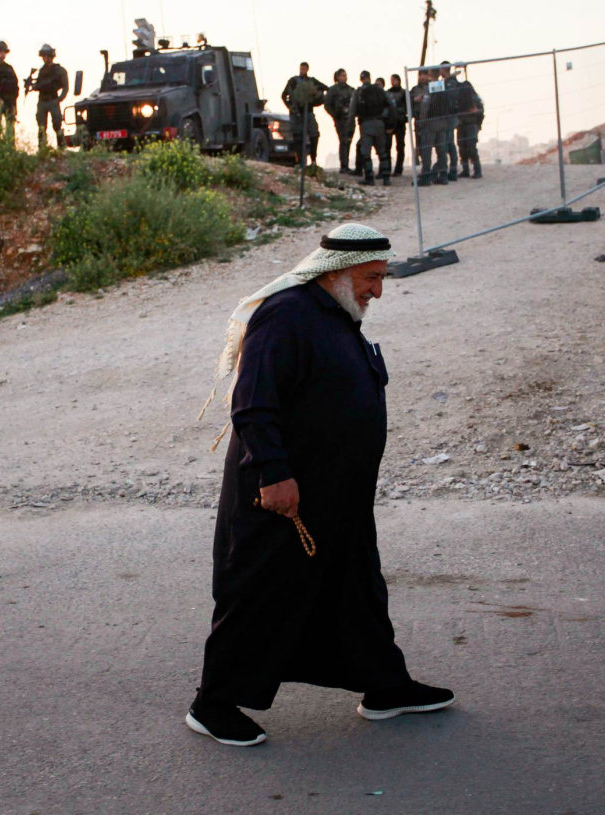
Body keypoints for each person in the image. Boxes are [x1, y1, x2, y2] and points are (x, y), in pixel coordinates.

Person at [189, 223, 456, 747]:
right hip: (284, 495)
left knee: (356, 588)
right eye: (371, 277)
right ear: (334, 272)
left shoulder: (334, 313)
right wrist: (274, 475)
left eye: (381, 278)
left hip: (337, 493)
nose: (378, 290)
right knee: (260, 593)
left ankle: (384, 687)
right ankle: (212, 703)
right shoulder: (285, 315)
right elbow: (253, 404)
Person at [347, 71, 391, 186]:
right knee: (382, 152)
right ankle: (386, 178)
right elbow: (390, 104)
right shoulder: (379, 90)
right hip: (379, 123)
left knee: (366, 153)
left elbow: (352, 112)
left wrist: (349, 129)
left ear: (361, 79)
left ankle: (369, 178)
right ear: (370, 78)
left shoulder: (358, 92)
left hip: (366, 125)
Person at [281, 62, 327, 168]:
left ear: (307, 69)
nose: (302, 71)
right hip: (296, 112)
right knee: (298, 137)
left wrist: (316, 93)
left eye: (304, 69)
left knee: (314, 134)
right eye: (301, 69)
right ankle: (300, 161)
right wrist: (290, 107)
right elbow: (284, 95)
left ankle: (313, 159)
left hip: (308, 111)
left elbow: (324, 88)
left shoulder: (311, 81)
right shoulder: (293, 81)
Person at [29, 44, 69, 151]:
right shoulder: (41, 71)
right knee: (41, 126)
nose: (44, 58)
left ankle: (61, 148)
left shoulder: (58, 70)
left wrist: (59, 100)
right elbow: (38, 85)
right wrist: (33, 86)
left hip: (53, 100)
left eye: (46, 56)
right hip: (42, 101)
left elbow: (65, 87)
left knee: (57, 124)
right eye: (43, 56)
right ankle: (42, 149)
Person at [324, 69, 356, 175]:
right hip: (340, 119)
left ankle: (346, 165)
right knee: (343, 141)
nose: (344, 77)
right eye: (342, 75)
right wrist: (335, 115)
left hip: (350, 119)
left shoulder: (351, 90)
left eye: (345, 75)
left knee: (348, 141)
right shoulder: (333, 90)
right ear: (337, 77)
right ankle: (344, 165)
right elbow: (327, 104)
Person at [453, 71, 484, 178]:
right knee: (463, 148)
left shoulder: (475, 99)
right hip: (462, 125)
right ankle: (466, 170)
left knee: (471, 148)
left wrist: (478, 122)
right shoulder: (459, 100)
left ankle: (477, 171)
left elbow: (481, 112)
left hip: (471, 125)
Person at [409, 69, 434, 186]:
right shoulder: (415, 89)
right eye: (421, 75)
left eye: (424, 75)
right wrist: (415, 100)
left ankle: (428, 173)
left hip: (430, 120)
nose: (422, 77)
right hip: (418, 120)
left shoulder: (432, 87)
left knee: (428, 148)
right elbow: (409, 103)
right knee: (421, 147)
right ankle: (425, 170)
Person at [439, 61, 459, 183]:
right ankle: (448, 170)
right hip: (447, 117)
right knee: (448, 143)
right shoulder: (448, 82)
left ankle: (452, 171)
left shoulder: (451, 83)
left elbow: (450, 99)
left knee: (449, 144)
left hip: (449, 117)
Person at [385, 74, 408, 177]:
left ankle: (398, 169)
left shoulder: (403, 93)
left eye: (394, 80)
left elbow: (406, 107)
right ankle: (388, 168)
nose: (393, 82)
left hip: (400, 123)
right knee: (387, 146)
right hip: (390, 123)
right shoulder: (388, 93)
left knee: (400, 146)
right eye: (391, 80)